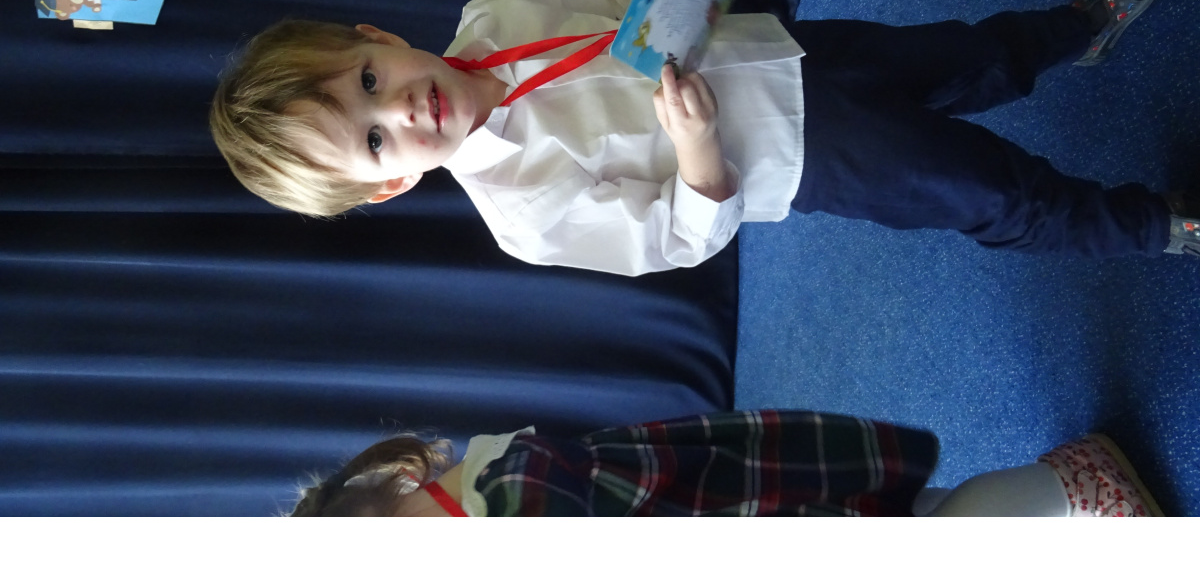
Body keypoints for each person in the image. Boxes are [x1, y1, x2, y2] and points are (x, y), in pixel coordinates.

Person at [210, 0, 1200, 274]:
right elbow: (677, 239)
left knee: (968, 55)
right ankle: (1158, 225)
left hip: (793, 52)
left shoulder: (491, 15)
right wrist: (694, 149)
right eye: (374, 142)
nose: (400, 112)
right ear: (386, 186)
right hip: (807, 158)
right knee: (996, 195)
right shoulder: (523, 213)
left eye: (369, 81)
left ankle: (1077, 30)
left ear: (378, 40)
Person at [287, 408, 1164, 517]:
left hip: (735, 509)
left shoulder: (511, 488)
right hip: (731, 496)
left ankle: (1069, 484)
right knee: (914, 512)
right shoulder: (494, 480)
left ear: (403, 478)